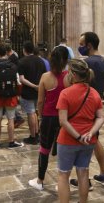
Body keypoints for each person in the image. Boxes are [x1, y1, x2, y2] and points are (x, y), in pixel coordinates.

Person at [56, 59, 104, 203]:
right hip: (88, 141)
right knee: (83, 172)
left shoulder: (65, 93)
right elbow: (101, 117)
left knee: (63, 175)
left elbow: (63, 121)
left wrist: (78, 136)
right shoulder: (94, 92)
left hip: (67, 140)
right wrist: (90, 133)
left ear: (72, 74)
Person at [70, 31, 104, 189]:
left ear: (89, 45)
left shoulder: (89, 62)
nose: (80, 47)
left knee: (84, 143)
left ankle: (85, 180)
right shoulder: (103, 61)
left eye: (81, 44)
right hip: (96, 103)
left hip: (86, 107)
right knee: (94, 140)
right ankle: (103, 174)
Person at [28, 46, 69, 191]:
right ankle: (62, 182)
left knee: (44, 149)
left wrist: (40, 116)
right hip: (65, 118)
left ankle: (40, 181)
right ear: (66, 61)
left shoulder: (45, 77)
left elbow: (40, 101)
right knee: (64, 150)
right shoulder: (69, 76)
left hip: (49, 118)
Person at [0, 43, 23, 148]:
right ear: (6, 52)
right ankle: (11, 142)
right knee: (11, 119)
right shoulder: (12, 65)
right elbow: (18, 83)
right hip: (11, 96)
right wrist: (17, 94)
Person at [18, 41, 47, 145]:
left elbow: (21, 79)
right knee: (36, 112)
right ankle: (37, 133)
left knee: (31, 113)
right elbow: (45, 76)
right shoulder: (40, 61)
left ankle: (33, 136)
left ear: (24, 50)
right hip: (39, 91)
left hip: (28, 91)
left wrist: (33, 86)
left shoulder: (22, 61)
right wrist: (39, 86)